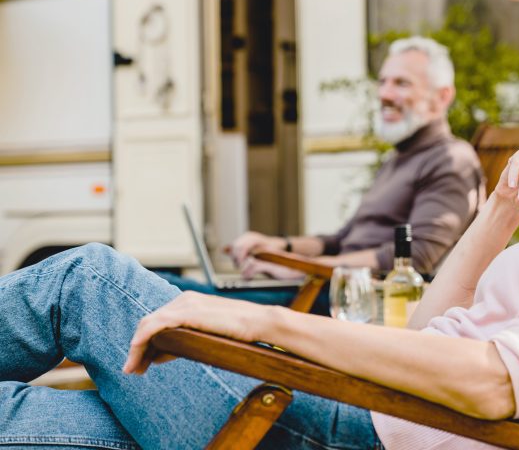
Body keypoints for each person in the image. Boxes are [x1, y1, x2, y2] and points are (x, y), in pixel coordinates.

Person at [1, 6, 519, 449]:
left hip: (334, 428)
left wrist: (253, 323)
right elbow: (434, 330)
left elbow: (496, 382)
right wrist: (499, 213)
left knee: (87, 278)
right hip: (351, 414)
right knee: (26, 419)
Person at [165, 36, 484, 312]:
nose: (384, 94)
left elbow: (416, 259)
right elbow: (341, 241)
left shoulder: (451, 162)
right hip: (322, 288)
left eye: (401, 83)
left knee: (168, 292)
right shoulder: (401, 158)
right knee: (165, 286)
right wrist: (280, 247)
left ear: (443, 96)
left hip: (350, 304)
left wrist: (303, 270)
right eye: (383, 81)